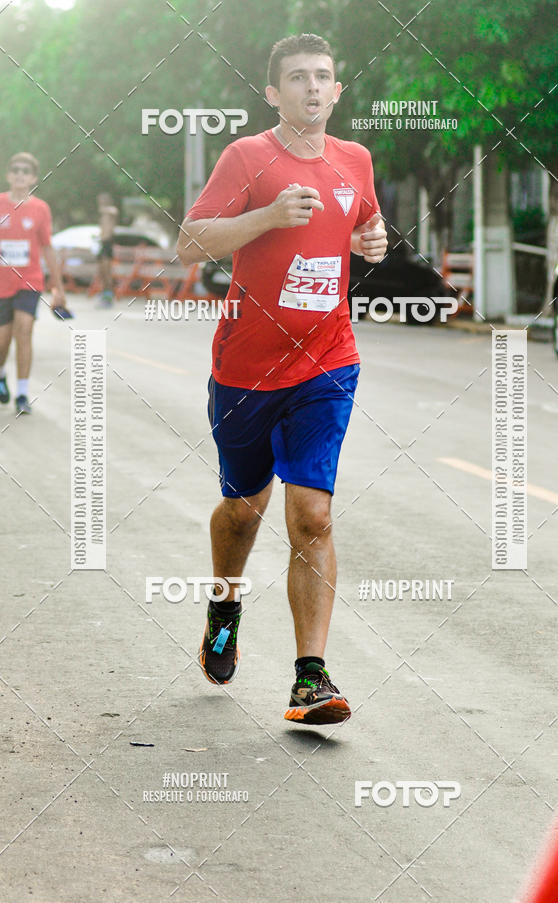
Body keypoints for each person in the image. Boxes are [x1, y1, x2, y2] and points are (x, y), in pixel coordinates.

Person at [176, 33, 387, 725]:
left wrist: (371, 239)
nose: (312, 87)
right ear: (273, 93)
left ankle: (310, 679)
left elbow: (362, 224)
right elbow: (190, 241)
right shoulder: (247, 157)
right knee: (244, 509)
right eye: (297, 77)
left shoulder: (355, 159)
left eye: (323, 76)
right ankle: (225, 604)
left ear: (338, 90)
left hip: (328, 360)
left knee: (313, 515)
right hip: (246, 369)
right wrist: (268, 216)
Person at [0, 152, 65, 415]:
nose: (19, 174)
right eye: (15, 169)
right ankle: (2, 376)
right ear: (8, 174)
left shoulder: (40, 209)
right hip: (1, 283)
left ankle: (22, 394)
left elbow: (47, 248)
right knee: (2, 340)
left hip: (29, 281)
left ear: (33, 178)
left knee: (24, 330)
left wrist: (58, 288)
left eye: (25, 171)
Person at [96, 192, 118, 308]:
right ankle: (104, 294)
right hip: (102, 244)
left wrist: (104, 209)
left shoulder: (110, 211)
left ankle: (109, 297)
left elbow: (113, 211)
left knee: (107, 273)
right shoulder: (103, 215)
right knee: (102, 273)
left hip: (108, 244)